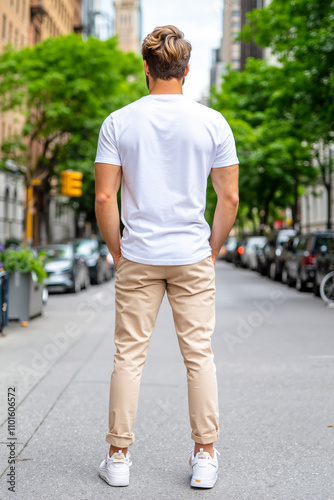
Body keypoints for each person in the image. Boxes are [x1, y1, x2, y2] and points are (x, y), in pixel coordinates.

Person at [94, 25, 239, 489]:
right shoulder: (213, 122)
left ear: (146, 68)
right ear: (186, 70)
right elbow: (229, 197)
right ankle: (204, 455)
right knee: (199, 355)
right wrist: (212, 248)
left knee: (128, 355)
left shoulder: (118, 121)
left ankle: (118, 458)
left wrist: (118, 250)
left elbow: (103, 198)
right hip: (192, 254)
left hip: (138, 254)